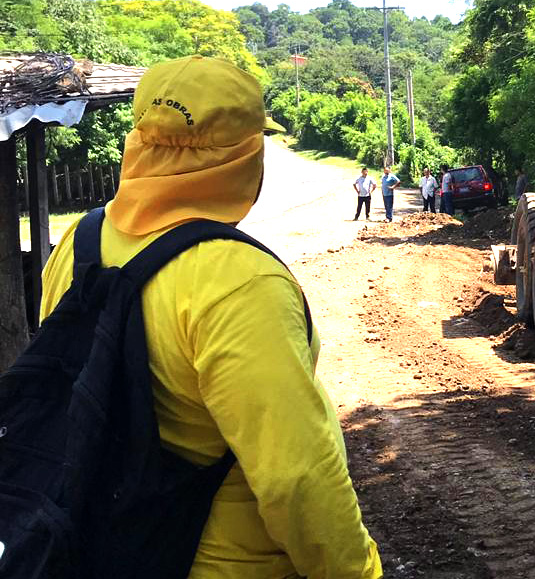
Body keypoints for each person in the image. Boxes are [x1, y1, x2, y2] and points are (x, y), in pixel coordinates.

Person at [38, 55, 382, 579]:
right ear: (241, 156)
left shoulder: (78, 243)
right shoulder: (239, 279)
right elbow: (297, 478)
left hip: (100, 545)